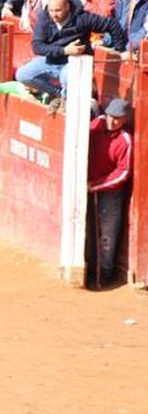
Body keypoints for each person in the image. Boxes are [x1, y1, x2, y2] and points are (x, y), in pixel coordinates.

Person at [16, 0, 126, 102]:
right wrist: (65, 50)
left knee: (66, 76)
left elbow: (112, 25)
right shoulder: (44, 19)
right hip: (52, 61)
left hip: (76, 62)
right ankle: (57, 94)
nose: (54, 15)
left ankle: (66, 100)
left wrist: (118, 50)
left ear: (67, 7)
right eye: (51, 11)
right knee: (22, 74)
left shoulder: (82, 18)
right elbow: (37, 46)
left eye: (58, 10)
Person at [84, 99, 134, 289]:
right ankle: (92, 270)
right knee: (90, 230)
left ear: (124, 120)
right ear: (107, 114)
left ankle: (104, 274)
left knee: (107, 235)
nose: (113, 122)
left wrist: (96, 186)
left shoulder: (125, 140)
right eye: (112, 117)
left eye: (118, 119)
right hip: (91, 185)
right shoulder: (96, 124)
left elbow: (123, 172)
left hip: (110, 193)